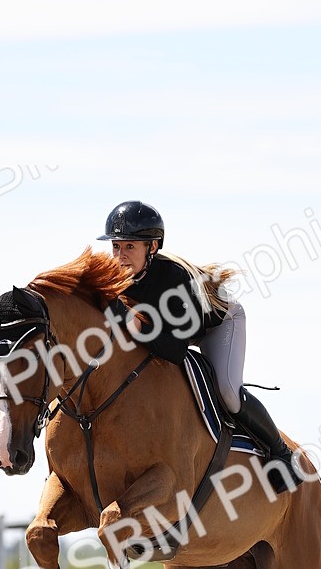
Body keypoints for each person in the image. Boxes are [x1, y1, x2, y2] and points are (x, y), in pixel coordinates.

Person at [97, 200, 304, 491]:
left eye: (130, 246)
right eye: (116, 246)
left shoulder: (173, 279)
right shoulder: (111, 278)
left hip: (218, 325)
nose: (120, 256)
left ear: (152, 247)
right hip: (172, 330)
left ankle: (281, 454)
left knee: (228, 393)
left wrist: (131, 321)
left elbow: (175, 351)